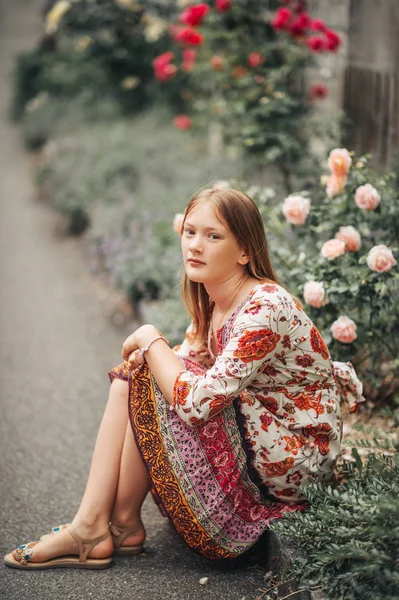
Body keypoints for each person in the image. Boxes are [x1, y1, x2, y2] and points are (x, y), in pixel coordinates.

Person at [4, 187, 363, 569]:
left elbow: (195, 405)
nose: (195, 245)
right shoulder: (216, 300)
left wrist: (148, 334)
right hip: (264, 434)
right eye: (189, 232)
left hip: (294, 461)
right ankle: (115, 524)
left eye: (213, 236)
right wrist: (153, 354)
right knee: (143, 372)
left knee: (154, 373)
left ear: (245, 251)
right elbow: (180, 367)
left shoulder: (265, 308)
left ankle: (93, 527)